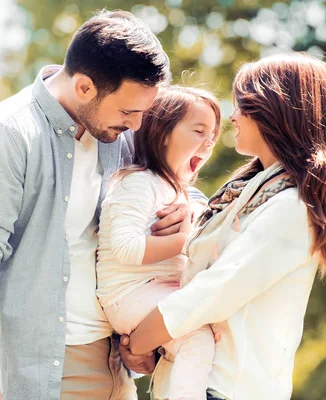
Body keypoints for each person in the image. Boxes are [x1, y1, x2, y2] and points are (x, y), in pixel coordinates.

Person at [0, 10, 203, 400]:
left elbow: (172, 177)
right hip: (42, 369)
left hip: (116, 363)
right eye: (128, 112)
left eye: (143, 113)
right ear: (84, 87)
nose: (137, 126)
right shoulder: (4, 136)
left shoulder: (120, 130)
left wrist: (185, 207)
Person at [125, 53, 326, 399]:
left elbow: (214, 291)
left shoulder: (292, 208)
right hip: (193, 381)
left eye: (243, 105)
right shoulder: (247, 196)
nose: (233, 117)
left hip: (226, 388)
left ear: (275, 110)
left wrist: (140, 341)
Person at [96, 86, 221, 400]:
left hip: (157, 289)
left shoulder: (178, 192)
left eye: (214, 136)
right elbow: (126, 248)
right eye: (198, 131)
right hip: (128, 294)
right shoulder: (137, 181)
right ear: (163, 132)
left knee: (206, 329)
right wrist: (188, 240)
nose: (208, 143)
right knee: (196, 336)